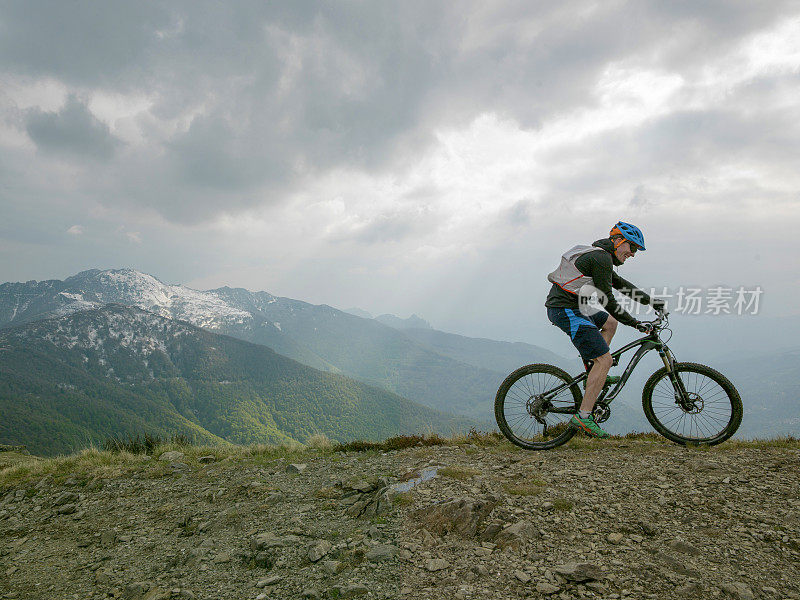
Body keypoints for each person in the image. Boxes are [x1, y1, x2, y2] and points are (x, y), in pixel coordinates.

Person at [545, 221, 665, 438]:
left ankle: (593, 371)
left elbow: (620, 284)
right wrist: (635, 322)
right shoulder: (600, 257)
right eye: (633, 247)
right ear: (618, 241)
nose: (634, 254)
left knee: (610, 323)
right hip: (566, 310)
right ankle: (583, 418)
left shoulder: (602, 257)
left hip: (573, 307)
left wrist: (651, 302)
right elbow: (607, 299)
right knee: (606, 360)